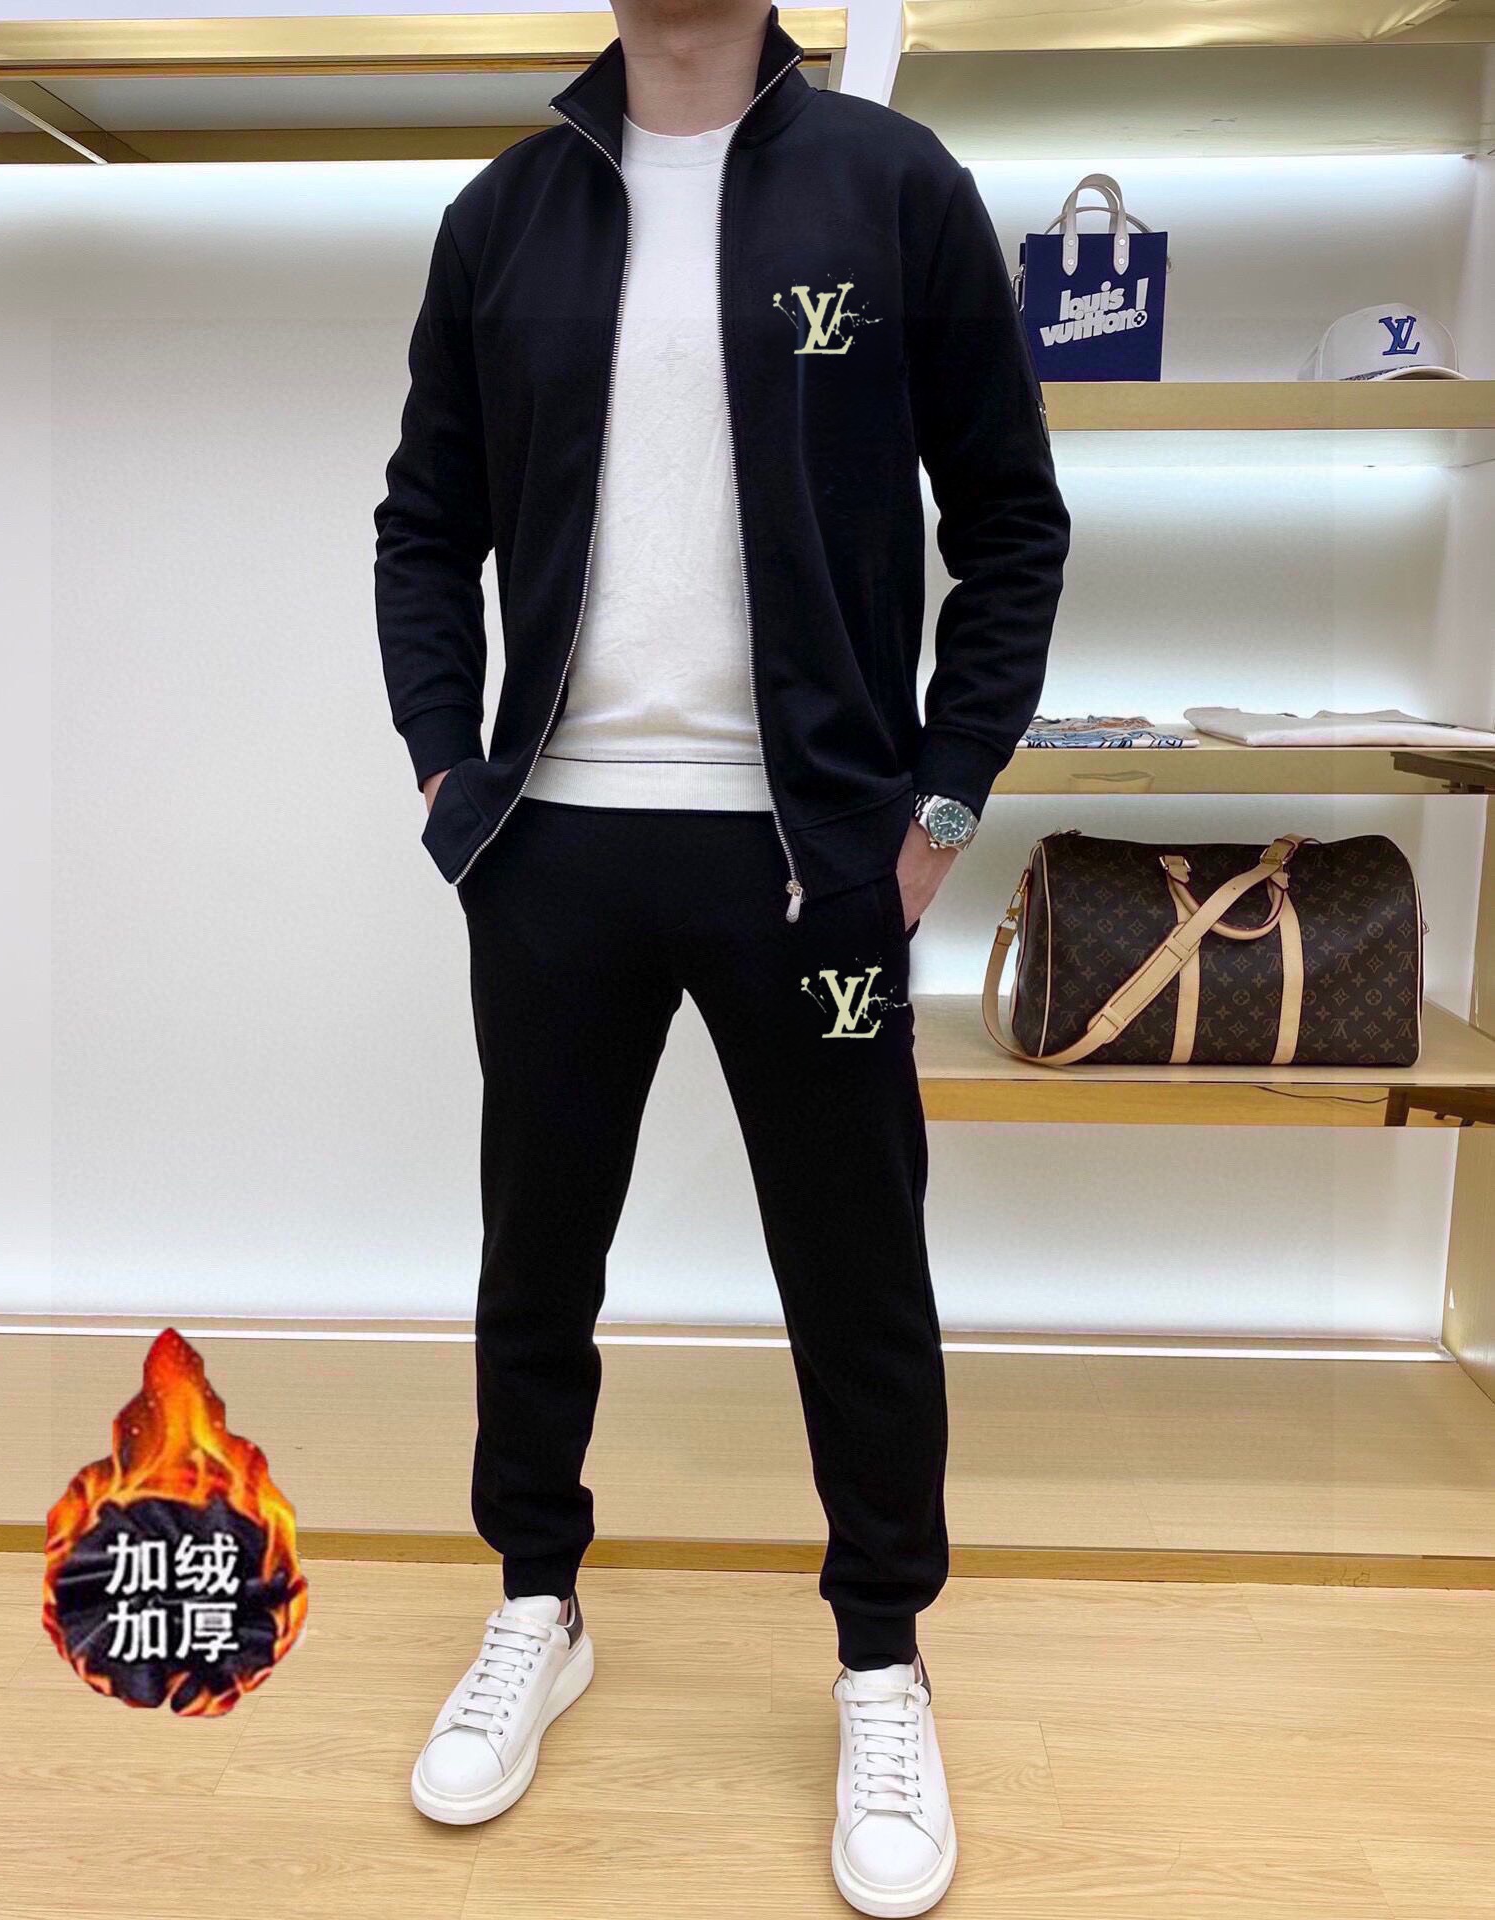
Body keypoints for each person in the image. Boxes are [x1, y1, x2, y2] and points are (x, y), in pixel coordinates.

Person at [373, 2, 1069, 1909]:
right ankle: (536, 1604)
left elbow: (1011, 524)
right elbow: (423, 526)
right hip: (555, 851)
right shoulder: (506, 215)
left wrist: (935, 815)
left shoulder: (894, 189)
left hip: (813, 868)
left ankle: (882, 1662)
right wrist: (450, 776)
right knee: (538, 1255)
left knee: (859, 1271)